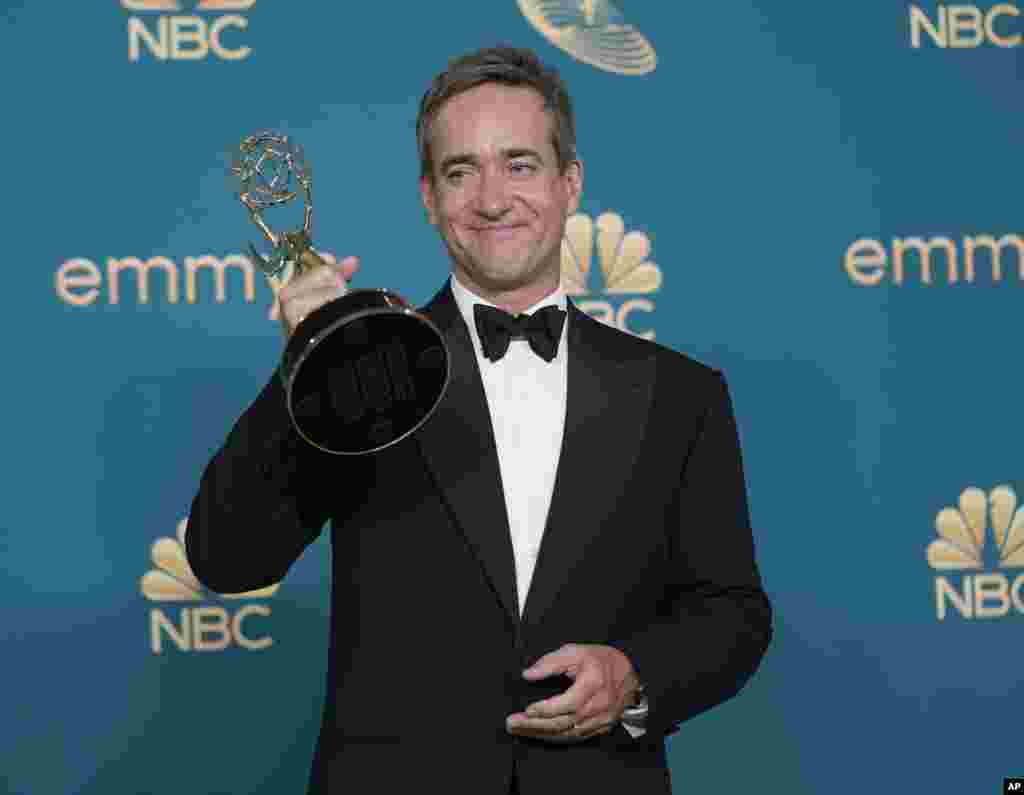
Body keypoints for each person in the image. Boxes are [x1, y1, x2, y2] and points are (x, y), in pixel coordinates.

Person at [186, 45, 772, 795]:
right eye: (462, 171)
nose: (492, 198)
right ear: (429, 198)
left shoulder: (680, 395)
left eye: (521, 164)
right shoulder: (367, 368)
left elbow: (733, 613)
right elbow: (225, 559)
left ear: (571, 184)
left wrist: (634, 675)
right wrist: (304, 365)